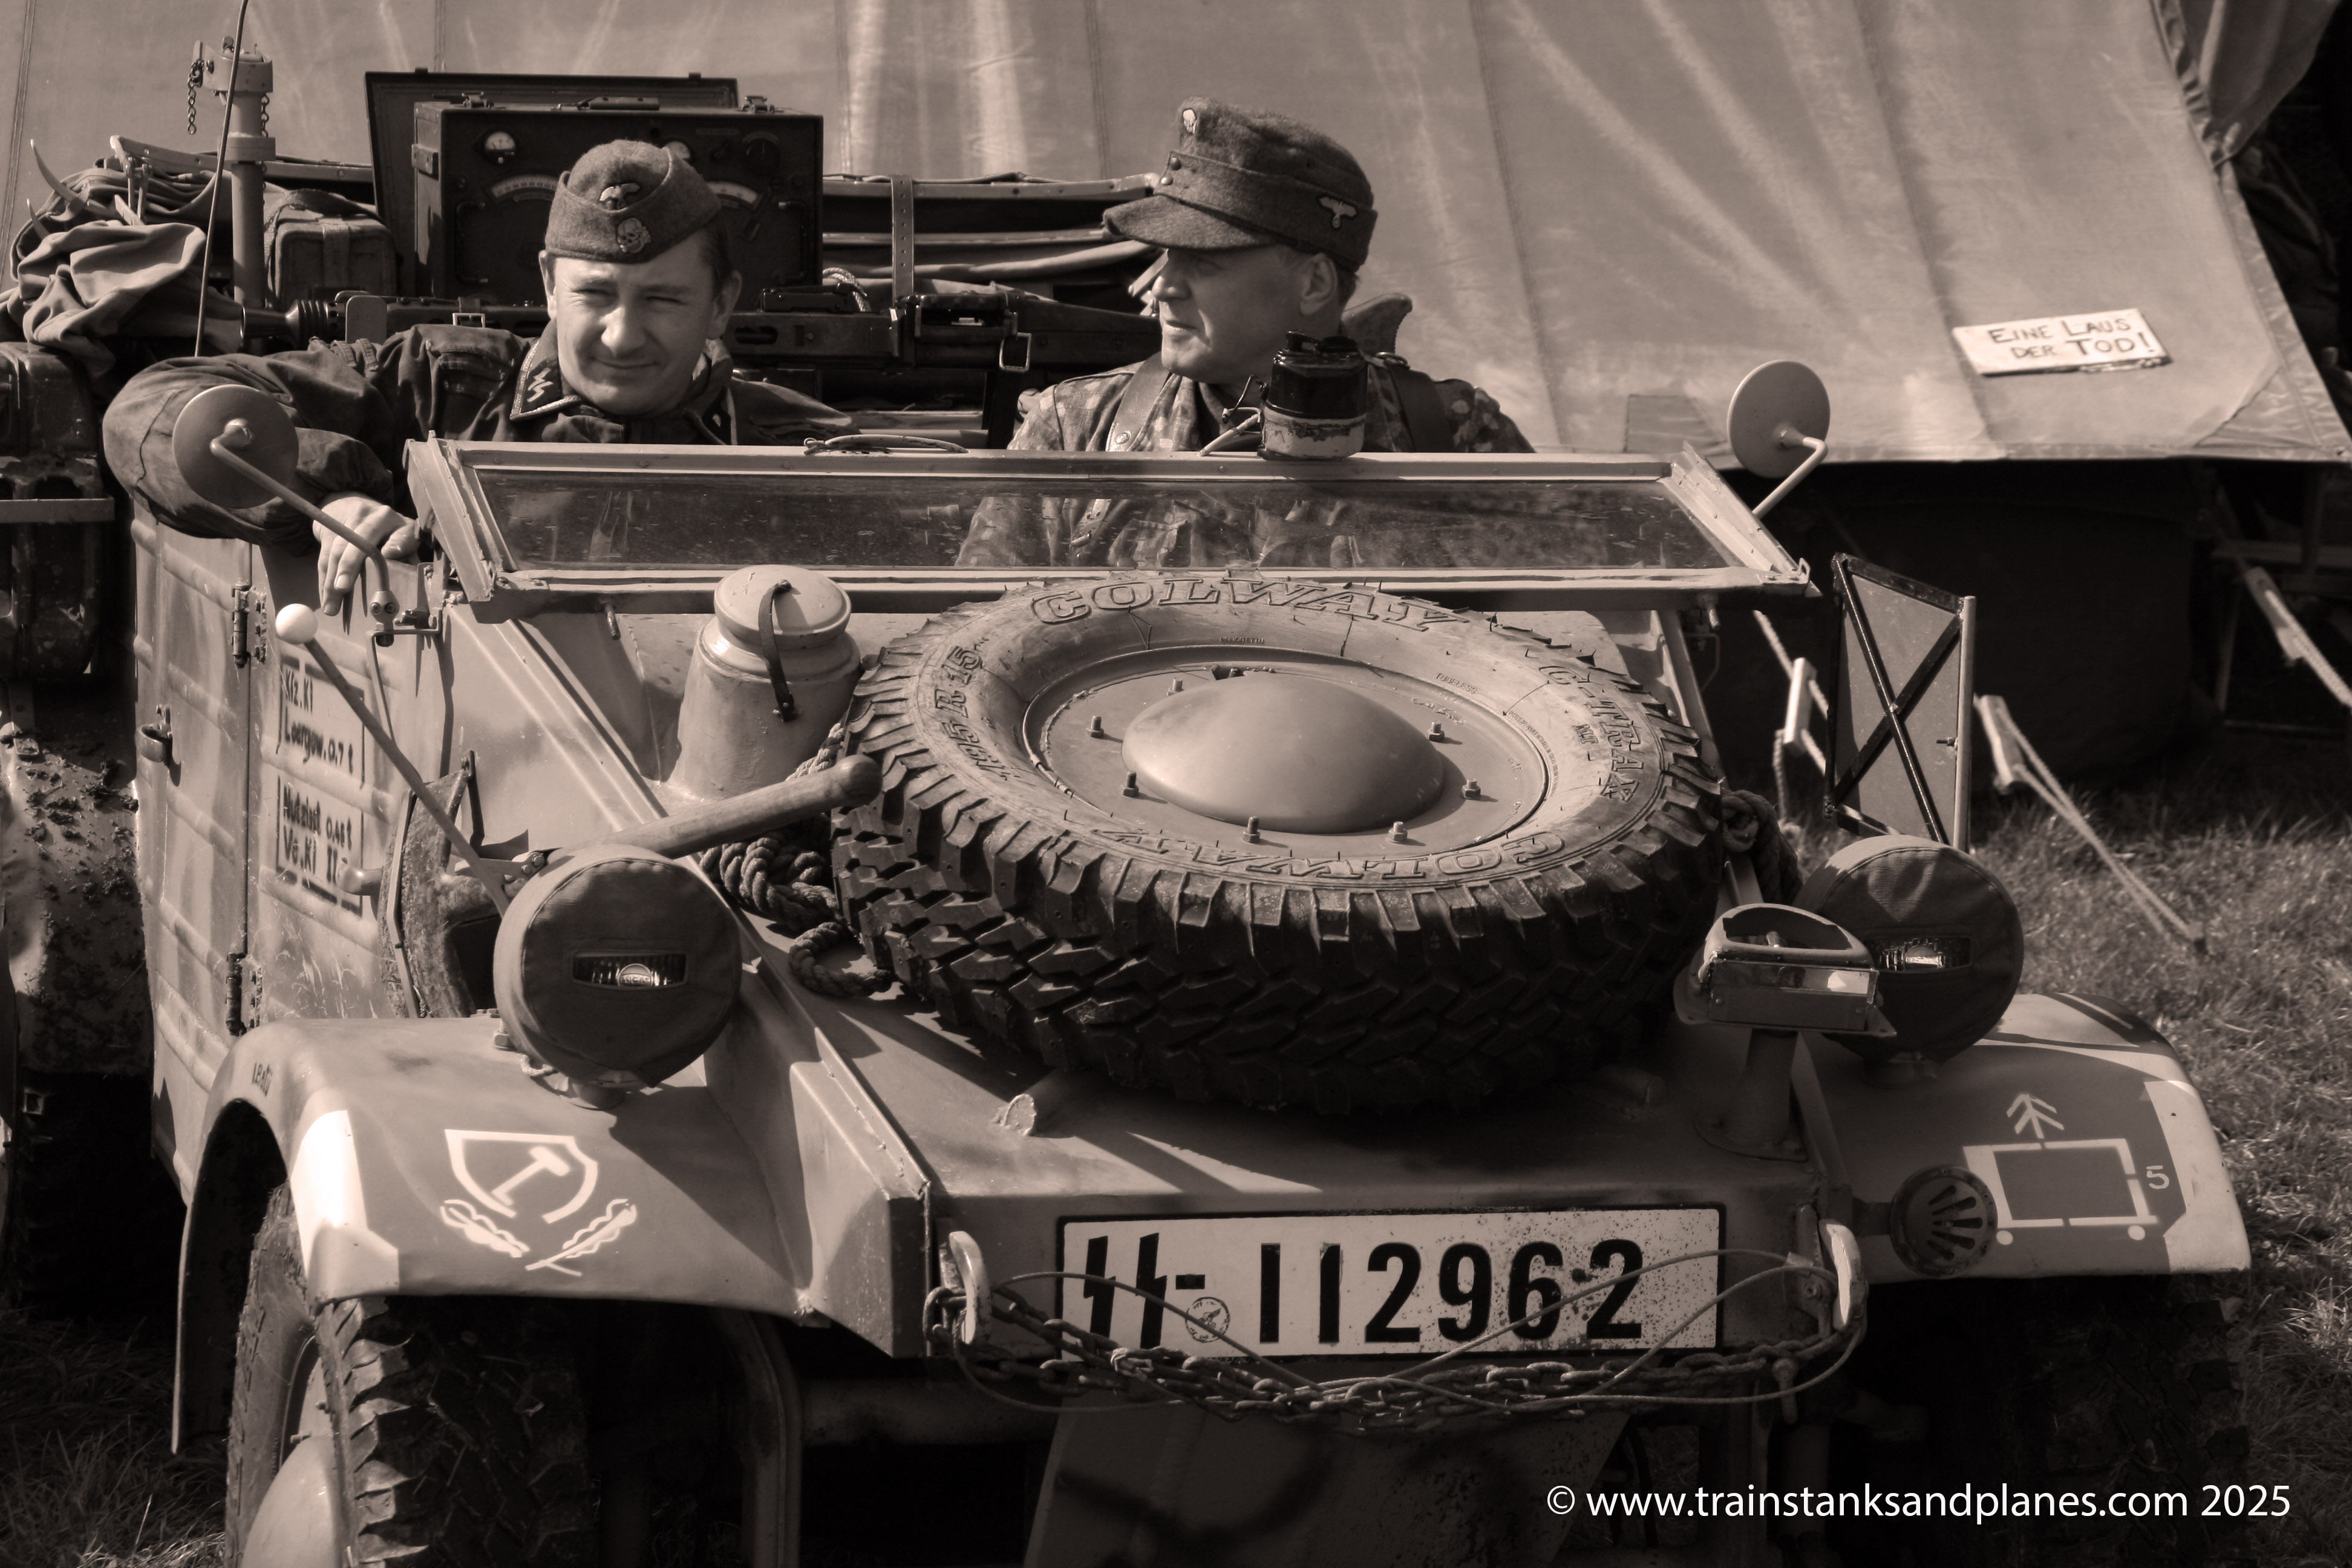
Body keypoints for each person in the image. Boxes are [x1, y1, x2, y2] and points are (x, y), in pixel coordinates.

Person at [104, 140, 849, 610]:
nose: (622, 335)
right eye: (595, 295)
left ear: (721, 304)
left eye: (663, 300)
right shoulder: (439, 386)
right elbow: (151, 410)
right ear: (549, 284)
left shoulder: (794, 452)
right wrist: (330, 492)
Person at [959, 97, 1530, 568]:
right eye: (1165, 257)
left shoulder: (1450, 436)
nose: (1164, 287)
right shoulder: (1076, 429)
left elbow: (1551, 641)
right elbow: (973, 646)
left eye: (1203, 262)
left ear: (1313, 283)